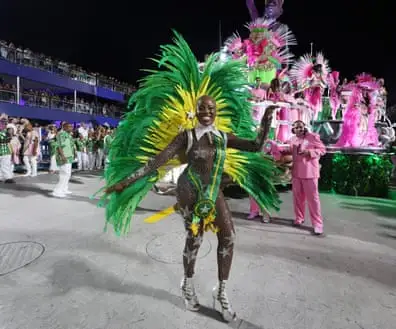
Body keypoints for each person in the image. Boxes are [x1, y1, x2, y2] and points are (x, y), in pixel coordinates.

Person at [102, 32, 281, 322]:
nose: (207, 111)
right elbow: (155, 161)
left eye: (211, 108)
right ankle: (187, 284)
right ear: (196, 111)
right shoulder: (185, 136)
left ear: (216, 110)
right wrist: (126, 181)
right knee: (195, 238)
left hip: (213, 190)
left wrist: (266, 120)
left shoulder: (223, 136)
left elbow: (256, 146)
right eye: (203, 108)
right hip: (188, 189)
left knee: (229, 236)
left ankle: (221, 290)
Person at [288, 120, 326, 235]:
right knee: (297, 198)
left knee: (313, 200)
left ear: (304, 127)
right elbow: (290, 152)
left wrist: (309, 152)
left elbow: (323, 150)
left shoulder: (313, 137)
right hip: (296, 173)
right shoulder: (293, 139)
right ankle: (299, 218)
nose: (298, 129)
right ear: (293, 129)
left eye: (300, 127)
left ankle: (317, 224)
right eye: (296, 127)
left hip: (310, 173)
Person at [52, 122, 75, 198]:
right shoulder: (61, 134)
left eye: (71, 127)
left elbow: (70, 146)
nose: (71, 128)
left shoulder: (68, 135)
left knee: (68, 174)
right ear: (64, 127)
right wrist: (63, 156)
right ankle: (57, 191)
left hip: (69, 157)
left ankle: (64, 189)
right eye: (69, 127)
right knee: (63, 174)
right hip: (64, 157)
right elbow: (59, 147)